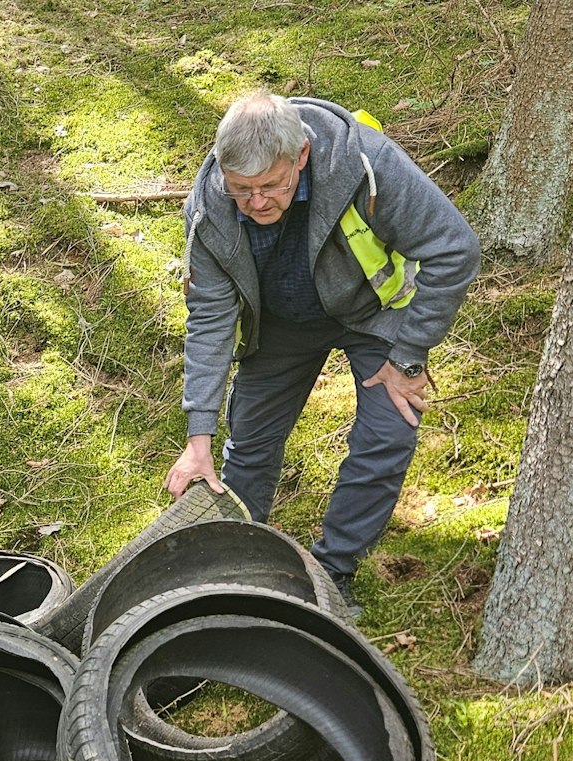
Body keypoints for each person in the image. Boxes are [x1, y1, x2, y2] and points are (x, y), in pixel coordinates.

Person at [166, 92, 479, 615]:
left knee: (387, 433)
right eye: (241, 190)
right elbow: (210, 321)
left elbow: (454, 248)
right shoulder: (209, 209)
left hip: (372, 314)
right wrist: (199, 433)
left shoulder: (365, 164)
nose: (256, 202)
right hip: (283, 323)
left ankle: (332, 573)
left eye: (271, 186)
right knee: (247, 444)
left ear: (301, 156)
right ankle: (233, 567)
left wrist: (409, 356)